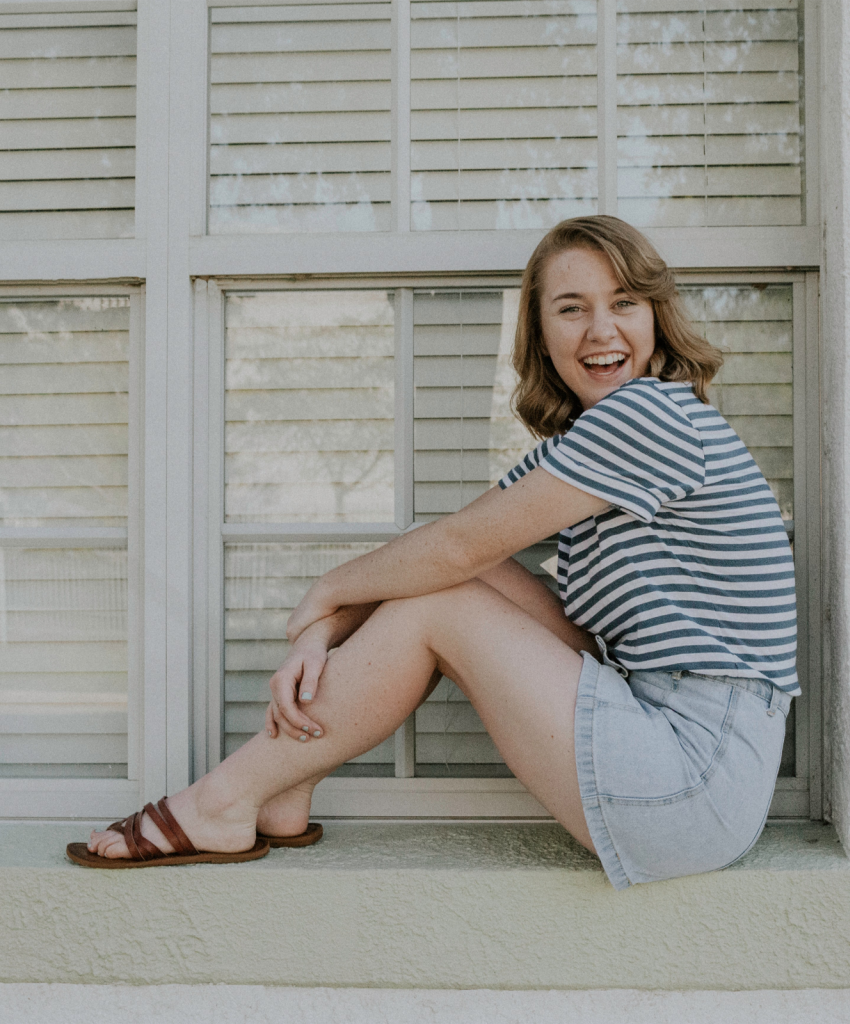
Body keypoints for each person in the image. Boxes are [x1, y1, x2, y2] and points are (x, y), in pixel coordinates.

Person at [69, 216, 798, 888]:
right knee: (457, 573)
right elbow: (442, 545)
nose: (601, 329)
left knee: (445, 591)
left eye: (625, 303)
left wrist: (324, 591)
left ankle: (224, 799)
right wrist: (322, 631)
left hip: (695, 782)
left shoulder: (651, 415)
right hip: (661, 737)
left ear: (656, 317)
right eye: (571, 308)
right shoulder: (584, 448)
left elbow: (450, 551)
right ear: (542, 333)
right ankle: (282, 783)